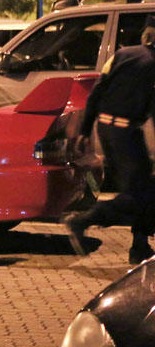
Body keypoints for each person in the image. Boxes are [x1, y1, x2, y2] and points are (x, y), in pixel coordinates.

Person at [65, 27, 155, 263]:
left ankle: (140, 246)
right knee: (138, 194)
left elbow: (96, 91)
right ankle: (82, 220)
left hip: (106, 128)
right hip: (126, 132)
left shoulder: (122, 55)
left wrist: (86, 130)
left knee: (146, 188)